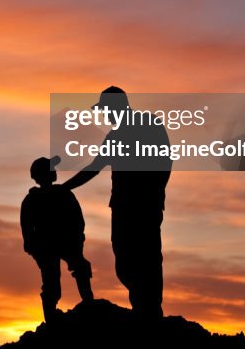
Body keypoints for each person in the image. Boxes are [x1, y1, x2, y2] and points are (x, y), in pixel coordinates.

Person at [62, 86, 172, 320]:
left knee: (146, 258)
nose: (105, 115)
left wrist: (155, 191)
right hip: (123, 207)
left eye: (106, 110)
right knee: (126, 260)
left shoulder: (148, 125)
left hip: (142, 207)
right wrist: (64, 187)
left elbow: (165, 160)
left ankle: (150, 312)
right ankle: (144, 308)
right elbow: (95, 166)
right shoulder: (115, 135)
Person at [20, 155, 94, 322]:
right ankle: (53, 318)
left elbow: (78, 220)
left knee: (75, 270)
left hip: (64, 243)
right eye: (51, 169)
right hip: (48, 246)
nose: (55, 171)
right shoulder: (36, 199)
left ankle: (87, 304)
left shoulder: (57, 195)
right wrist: (32, 245)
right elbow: (26, 228)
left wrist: (78, 238)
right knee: (53, 282)